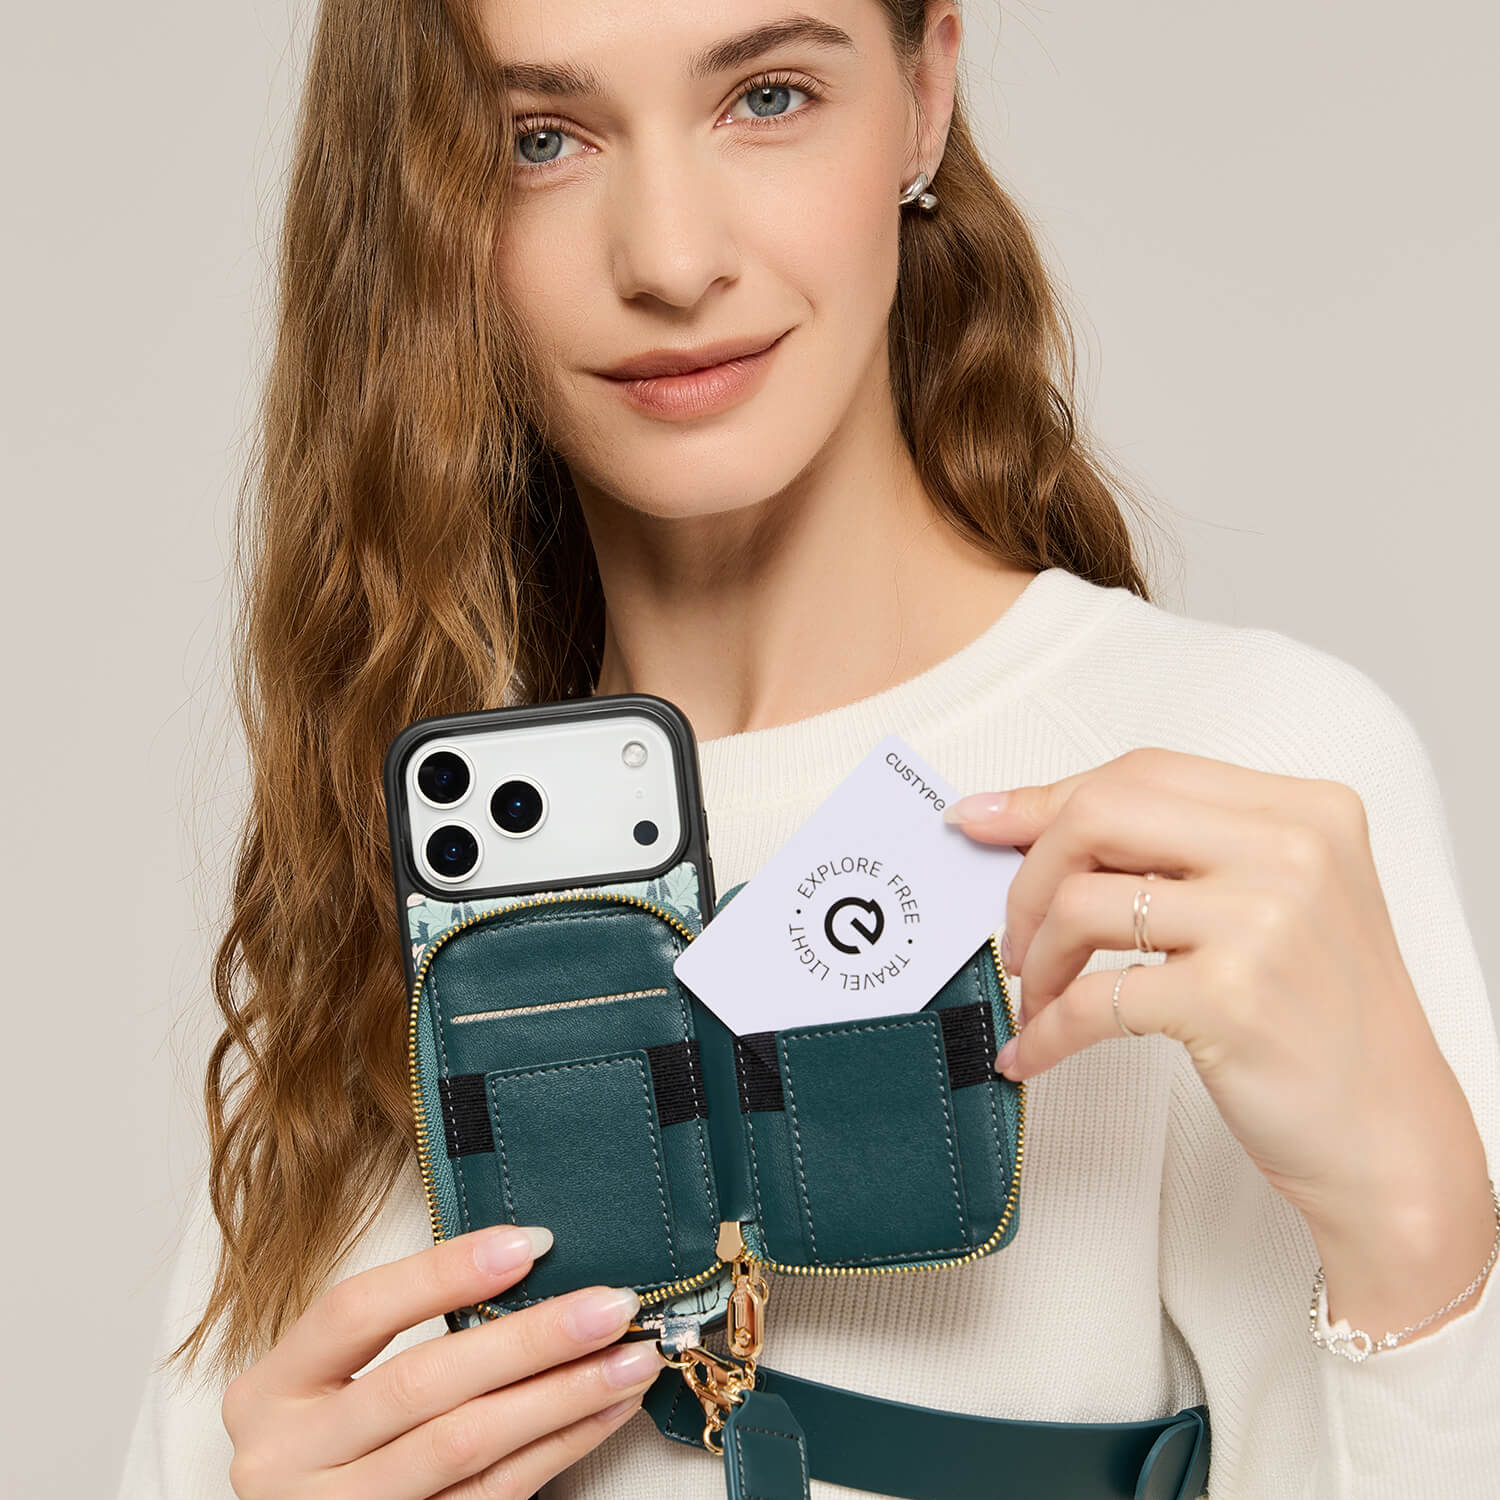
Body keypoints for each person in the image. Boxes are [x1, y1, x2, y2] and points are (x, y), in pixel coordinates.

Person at [115, 1, 1500, 1497]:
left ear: (924, 94)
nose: (669, 258)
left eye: (767, 97)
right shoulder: (402, 880)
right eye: (538, 140)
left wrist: (1421, 1244)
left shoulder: (1232, 772)